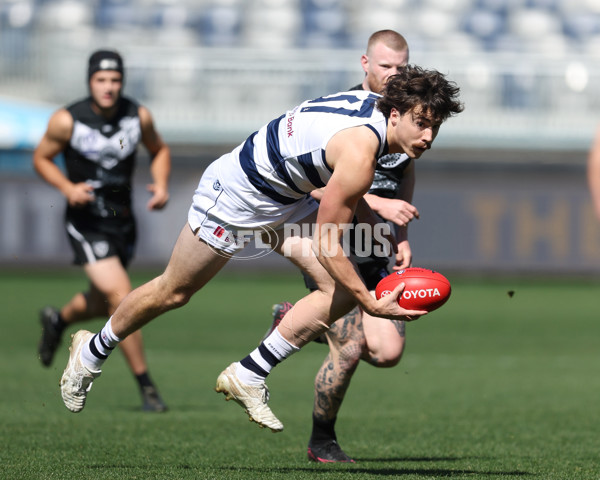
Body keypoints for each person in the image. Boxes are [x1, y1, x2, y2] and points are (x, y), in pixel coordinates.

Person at [57, 66, 463, 437]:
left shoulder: (371, 111)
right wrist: (370, 303)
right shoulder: (361, 153)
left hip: (287, 196)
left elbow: (339, 190)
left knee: (338, 291)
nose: (427, 136)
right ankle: (91, 351)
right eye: (421, 123)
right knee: (174, 291)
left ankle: (249, 373)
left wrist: (373, 240)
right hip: (238, 195)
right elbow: (328, 241)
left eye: (435, 126)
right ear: (395, 116)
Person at [266, 30, 421, 463]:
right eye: (386, 66)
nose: (394, 74)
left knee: (388, 353)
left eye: (401, 67)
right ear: (365, 64)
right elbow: (314, 184)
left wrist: (401, 235)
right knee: (350, 347)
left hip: (377, 243)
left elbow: (405, 174)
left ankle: (294, 319)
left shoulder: (408, 114)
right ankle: (322, 442)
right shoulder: (343, 113)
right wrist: (376, 203)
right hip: (336, 242)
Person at [33, 49, 171, 412]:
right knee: (122, 295)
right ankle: (147, 387)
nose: (108, 87)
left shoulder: (137, 115)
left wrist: (160, 184)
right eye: (101, 80)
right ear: (90, 81)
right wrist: (66, 188)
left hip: (122, 220)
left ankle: (57, 319)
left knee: (103, 301)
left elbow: (159, 150)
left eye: (115, 80)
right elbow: (41, 158)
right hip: (86, 220)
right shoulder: (67, 120)